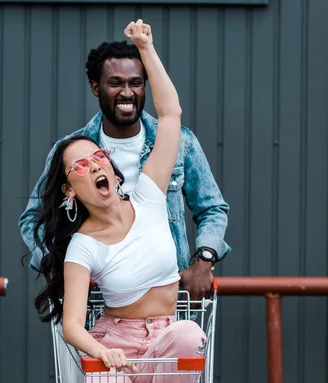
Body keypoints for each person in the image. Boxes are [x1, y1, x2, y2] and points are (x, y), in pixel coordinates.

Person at [30, 20, 206, 383]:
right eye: (80, 165)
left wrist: (146, 48)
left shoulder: (149, 195)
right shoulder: (82, 246)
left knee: (191, 335)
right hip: (114, 344)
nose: (93, 165)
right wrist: (101, 351)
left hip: (167, 339)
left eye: (97, 156)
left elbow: (172, 116)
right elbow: (73, 325)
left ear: (111, 167)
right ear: (69, 190)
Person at [18, 24, 231, 302]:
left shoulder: (178, 143)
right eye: (116, 83)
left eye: (136, 83)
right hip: (95, 299)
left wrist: (203, 261)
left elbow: (212, 208)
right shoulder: (72, 152)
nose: (127, 93)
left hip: (165, 295)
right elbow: (34, 218)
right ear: (96, 87)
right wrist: (61, 266)